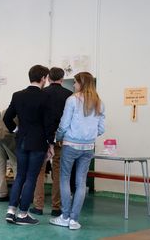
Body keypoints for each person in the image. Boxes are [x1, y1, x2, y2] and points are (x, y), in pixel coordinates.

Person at [50, 72, 105, 230]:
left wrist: (58, 137)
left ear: (81, 83)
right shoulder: (99, 102)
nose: (73, 85)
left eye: (74, 82)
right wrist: (90, 135)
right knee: (81, 182)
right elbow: (101, 128)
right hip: (88, 147)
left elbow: (64, 123)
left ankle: (65, 216)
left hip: (70, 145)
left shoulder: (72, 100)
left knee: (64, 179)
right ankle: (74, 220)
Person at [4, 65, 54, 225]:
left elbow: (6, 118)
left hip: (21, 140)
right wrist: (51, 144)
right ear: (43, 78)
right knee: (31, 178)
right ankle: (23, 214)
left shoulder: (17, 95)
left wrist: (17, 129)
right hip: (38, 142)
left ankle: (11, 211)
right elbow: (49, 123)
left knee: (20, 176)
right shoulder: (46, 97)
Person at [30, 67, 73, 217]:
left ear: (48, 78)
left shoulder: (41, 93)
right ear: (62, 78)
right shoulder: (69, 95)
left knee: (39, 171)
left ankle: (38, 205)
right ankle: (56, 207)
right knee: (59, 172)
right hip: (61, 137)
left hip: (42, 137)